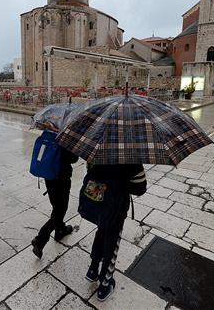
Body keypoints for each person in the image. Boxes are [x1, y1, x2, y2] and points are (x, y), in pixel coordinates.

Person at [83, 164, 147, 301]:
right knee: (112, 242)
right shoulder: (131, 158)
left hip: (99, 200)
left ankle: (93, 269)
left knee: (100, 232)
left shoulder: (98, 151)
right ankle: (104, 285)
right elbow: (140, 188)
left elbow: (90, 170)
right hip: (116, 208)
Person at [31, 128, 78, 258]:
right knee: (60, 210)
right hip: (61, 179)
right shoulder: (67, 136)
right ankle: (40, 239)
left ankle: (60, 230)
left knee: (56, 207)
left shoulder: (50, 132)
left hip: (49, 176)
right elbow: (73, 158)